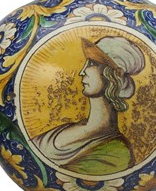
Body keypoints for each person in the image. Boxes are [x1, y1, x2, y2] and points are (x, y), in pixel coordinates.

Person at [33, 36, 145, 175]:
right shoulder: (67, 129)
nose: (82, 72)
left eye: (91, 64)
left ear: (112, 76)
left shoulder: (117, 153)